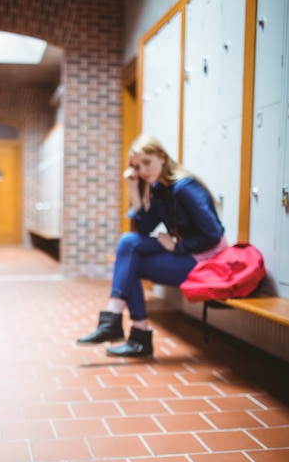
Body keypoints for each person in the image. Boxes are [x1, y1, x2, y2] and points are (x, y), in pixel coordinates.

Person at [77, 134, 228, 357]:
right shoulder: (159, 189)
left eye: (147, 162)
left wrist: (177, 247)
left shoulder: (184, 187)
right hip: (187, 250)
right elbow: (144, 228)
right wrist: (133, 189)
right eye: (137, 166)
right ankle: (121, 325)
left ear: (163, 158)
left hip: (207, 258)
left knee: (131, 261)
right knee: (128, 245)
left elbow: (213, 234)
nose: (142, 170)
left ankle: (129, 330)